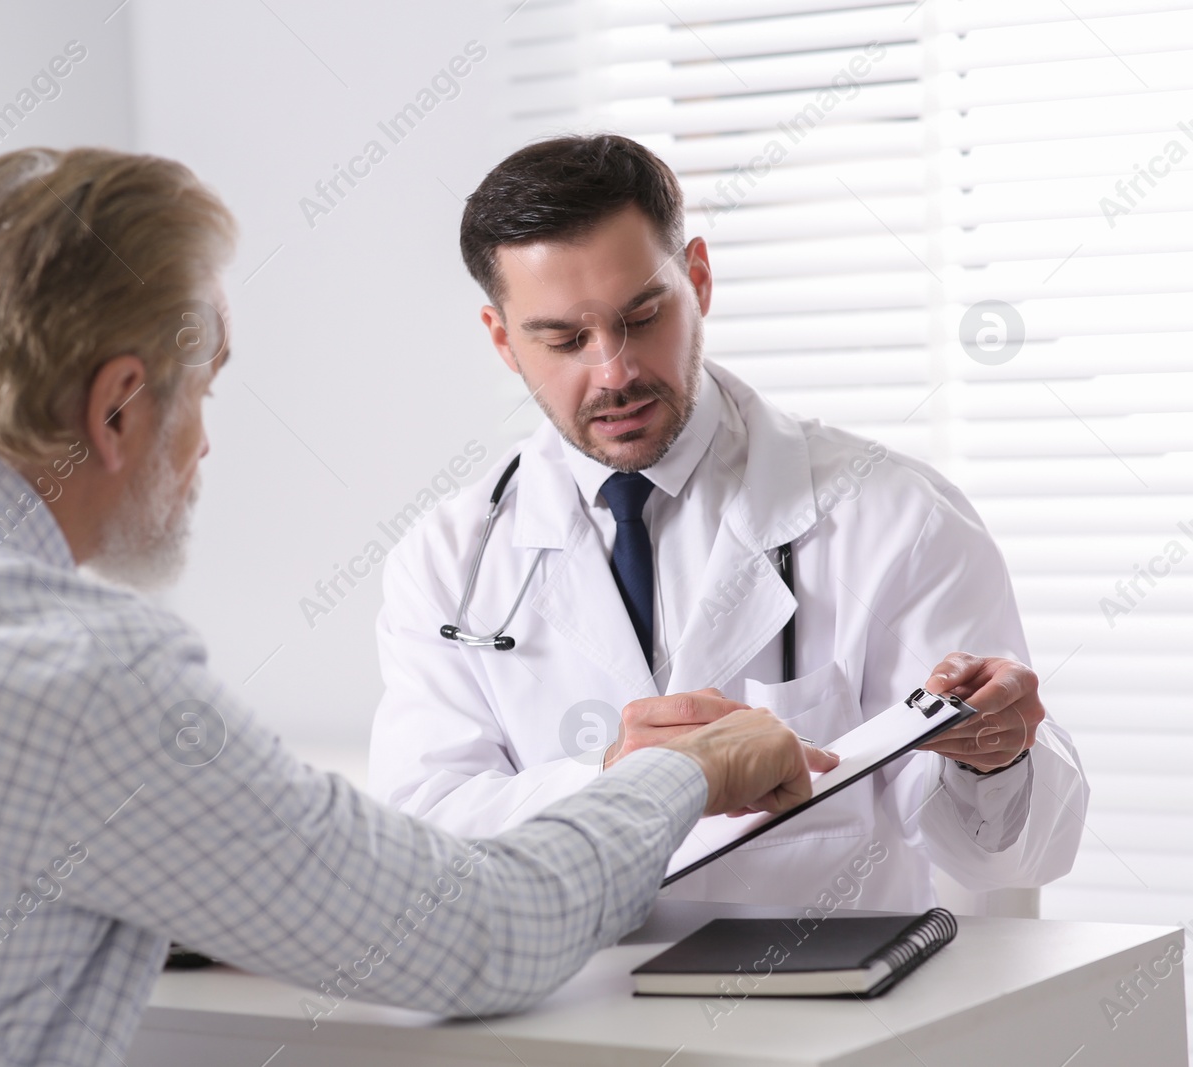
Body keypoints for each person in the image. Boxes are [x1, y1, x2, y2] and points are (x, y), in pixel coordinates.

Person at [0, 148, 834, 1065]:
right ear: (121, 403)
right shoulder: (69, 667)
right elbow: (483, 937)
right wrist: (693, 768)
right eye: (207, 389)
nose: (203, 445)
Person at [368, 134, 1088, 912]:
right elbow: (427, 843)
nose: (614, 371)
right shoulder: (447, 558)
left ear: (699, 279)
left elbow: (1005, 859)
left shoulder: (894, 517)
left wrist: (996, 759)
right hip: (569, 1013)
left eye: (642, 315)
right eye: (565, 339)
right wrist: (623, 782)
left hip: (820, 1015)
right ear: (504, 340)